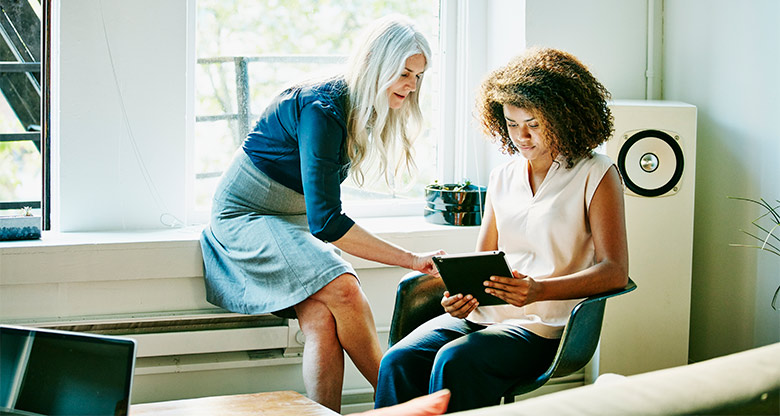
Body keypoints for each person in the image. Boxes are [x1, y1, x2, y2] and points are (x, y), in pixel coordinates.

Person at [199, 15, 442, 412]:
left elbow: (317, 213)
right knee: (344, 287)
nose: (412, 85)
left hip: (288, 222)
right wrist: (413, 260)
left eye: (419, 75)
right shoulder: (322, 106)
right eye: (404, 73)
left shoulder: (358, 106)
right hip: (244, 218)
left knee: (321, 318)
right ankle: (405, 403)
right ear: (377, 65)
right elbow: (327, 222)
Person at [374, 47, 629, 413]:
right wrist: (461, 298)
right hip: (486, 317)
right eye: (511, 124)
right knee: (398, 361)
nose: (521, 136)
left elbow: (615, 271)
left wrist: (539, 290)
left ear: (564, 116)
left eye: (534, 124)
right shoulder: (503, 176)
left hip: (544, 326)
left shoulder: (596, 173)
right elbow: (483, 259)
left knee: (455, 361)